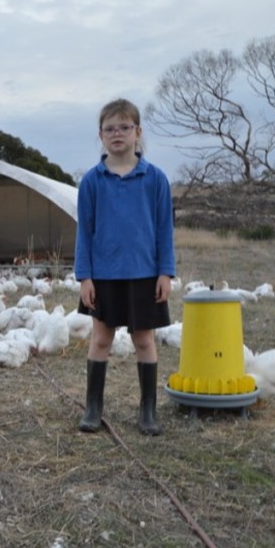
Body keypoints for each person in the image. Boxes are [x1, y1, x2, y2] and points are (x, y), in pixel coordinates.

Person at [74, 98, 175, 436]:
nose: (117, 134)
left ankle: (147, 411)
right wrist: (84, 277)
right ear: (101, 135)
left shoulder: (155, 179)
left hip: (145, 275)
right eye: (109, 128)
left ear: (138, 132)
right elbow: (84, 232)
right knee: (101, 339)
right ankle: (93, 408)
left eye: (124, 127)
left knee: (144, 340)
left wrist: (165, 271)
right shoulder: (92, 181)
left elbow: (164, 228)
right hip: (103, 276)